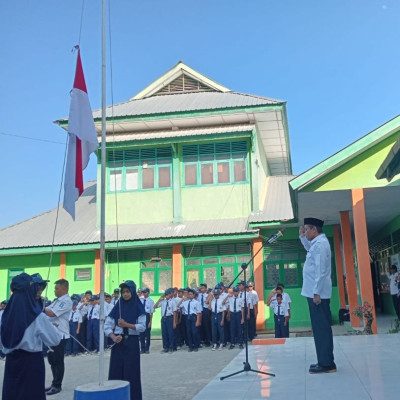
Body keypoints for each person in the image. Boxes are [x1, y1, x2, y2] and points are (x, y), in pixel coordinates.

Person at [0, 273, 62, 400]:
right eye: (37, 288)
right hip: (31, 364)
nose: (40, 291)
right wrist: (53, 328)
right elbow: (55, 340)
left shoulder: (4, 315)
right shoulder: (37, 317)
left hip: (11, 363)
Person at [300, 217, 336, 374]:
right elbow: (309, 249)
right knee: (319, 328)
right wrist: (302, 237)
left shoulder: (320, 245)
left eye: (307, 230)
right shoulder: (317, 243)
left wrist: (316, 292)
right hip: (315, 293)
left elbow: (321, 271)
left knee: (322, 328)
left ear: (314, 229)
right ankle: (324, 361)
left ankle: (327, 364)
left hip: (317, 295)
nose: (305, 232)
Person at [105, 280, 146, 400]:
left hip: (132, 343)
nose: (125, 294)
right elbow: (107, 325)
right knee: (116, 372)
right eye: (123, 292)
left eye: (128, 291)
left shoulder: (138, 307)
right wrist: (113, 337)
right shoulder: (117, 307)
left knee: (131, 373)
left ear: (133, 292)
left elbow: (142, 327)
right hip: (118, 342)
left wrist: (126, 324)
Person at [44, 278, 73, 395]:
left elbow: (51, 313)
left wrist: (39, 306)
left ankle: (57, 385)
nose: (54, 290)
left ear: (64, 289)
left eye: (57, 288)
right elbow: (48, 310)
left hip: (61, 335)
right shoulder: (57, 301)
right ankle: (53, 383)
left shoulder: (66, 301)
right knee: (52, 360)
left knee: (58, 360)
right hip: (52, 334)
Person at [155, 288, 177, 353]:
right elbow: (155, 306)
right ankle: (165, 347)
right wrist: (159, 299)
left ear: (171, 294)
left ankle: (171, 347)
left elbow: (175, 313)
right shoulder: (163, 302)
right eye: (166, 294)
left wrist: (174, 322)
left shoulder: (173, 302)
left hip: (170, 318)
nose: (167, 295)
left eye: (168, 294)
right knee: (164, 333)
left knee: (170, 333)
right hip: (163, 318)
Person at [139, 288, 154, 354]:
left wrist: (150, 322)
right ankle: (142, 349)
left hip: (147, 316)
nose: (144, 294)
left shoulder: (151, 301)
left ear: (148, 293)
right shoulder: (140, 299)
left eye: (145, 292)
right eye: (143, 292)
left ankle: (147, 348)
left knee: (147, 334)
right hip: (141, 317)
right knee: (141, 334)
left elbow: (151, 313)